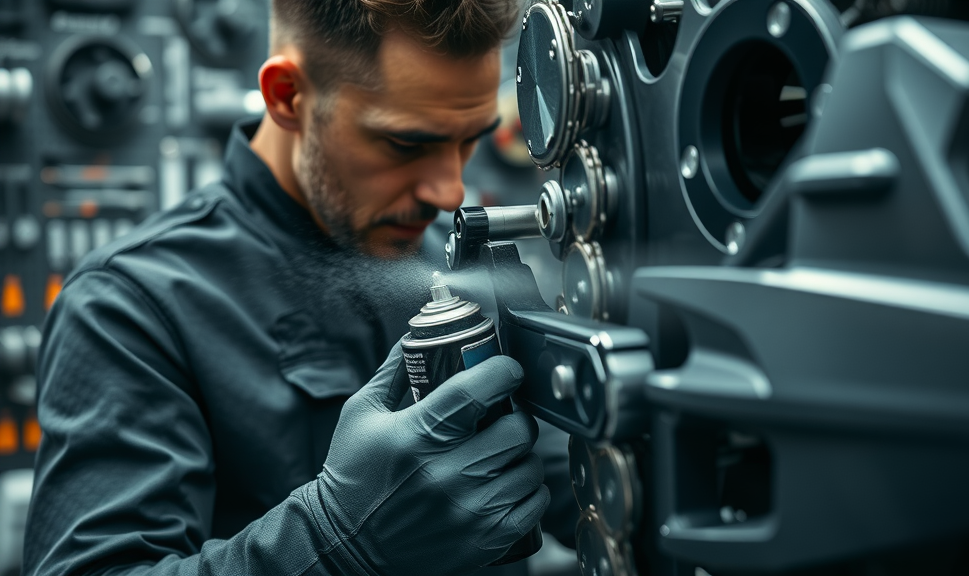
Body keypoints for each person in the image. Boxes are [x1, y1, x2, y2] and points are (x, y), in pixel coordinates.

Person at [22, 1, 576, 575]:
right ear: (288, 96)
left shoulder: (456, 260)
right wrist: (336, 540)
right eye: (406, 144)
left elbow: (569, 481)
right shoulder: (129, 306)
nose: (449, 190)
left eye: (469, 140)